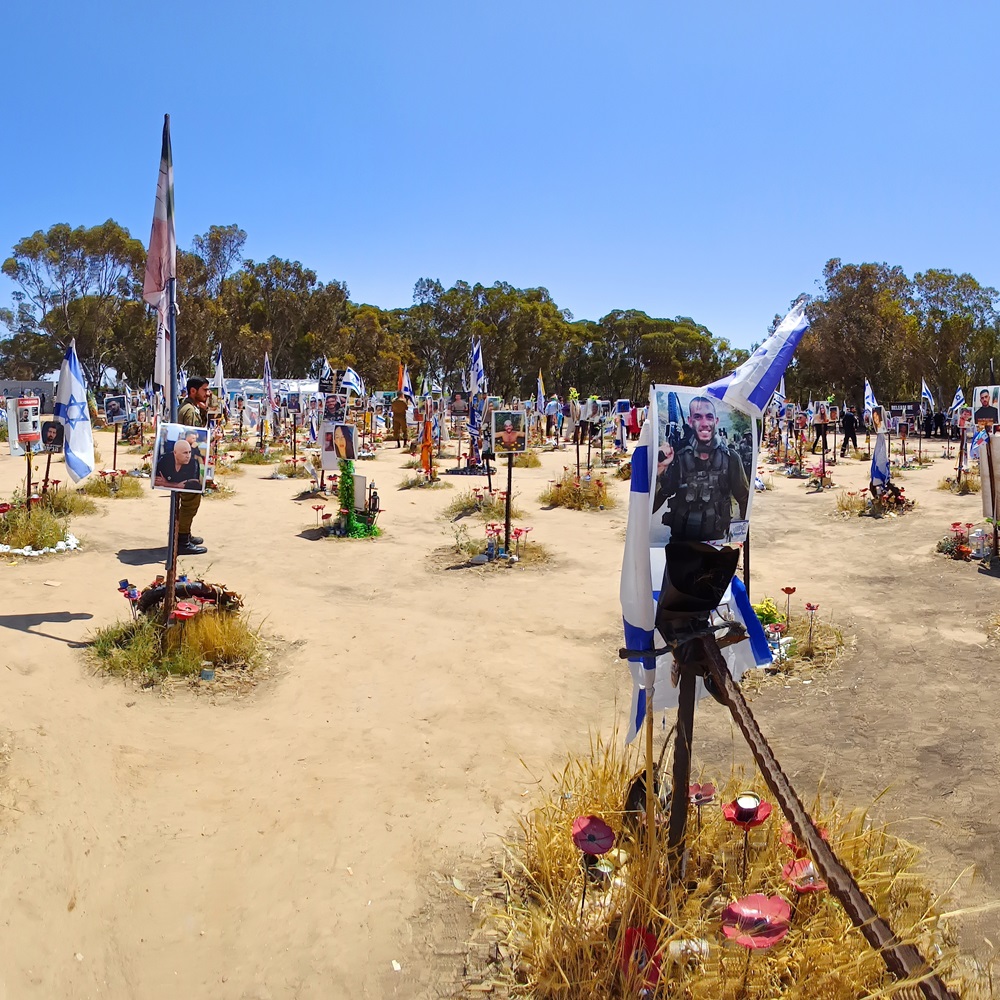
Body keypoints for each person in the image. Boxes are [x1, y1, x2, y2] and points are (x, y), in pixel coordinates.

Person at [654, 395, 750, 543]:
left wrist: (739, 540)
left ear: (716, 421)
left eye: (709, 417)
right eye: (698, 417)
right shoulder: (677, 458)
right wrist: (659, 469)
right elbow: (651, 506)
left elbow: (744, 501)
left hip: (717, 545)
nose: (704, 423)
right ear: (690, 421)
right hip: (681, 547)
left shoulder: (731, 458)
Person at [174, 376, 210, 555]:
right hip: (190, 463)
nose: (208, 393)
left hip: (186, 461)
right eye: (204, 390)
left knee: (188, 501)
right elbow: (194, 437)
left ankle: (184, 534)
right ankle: (182, 541)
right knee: (190, 502)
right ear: (193, 391)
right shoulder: (191, 411)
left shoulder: (189, 407)